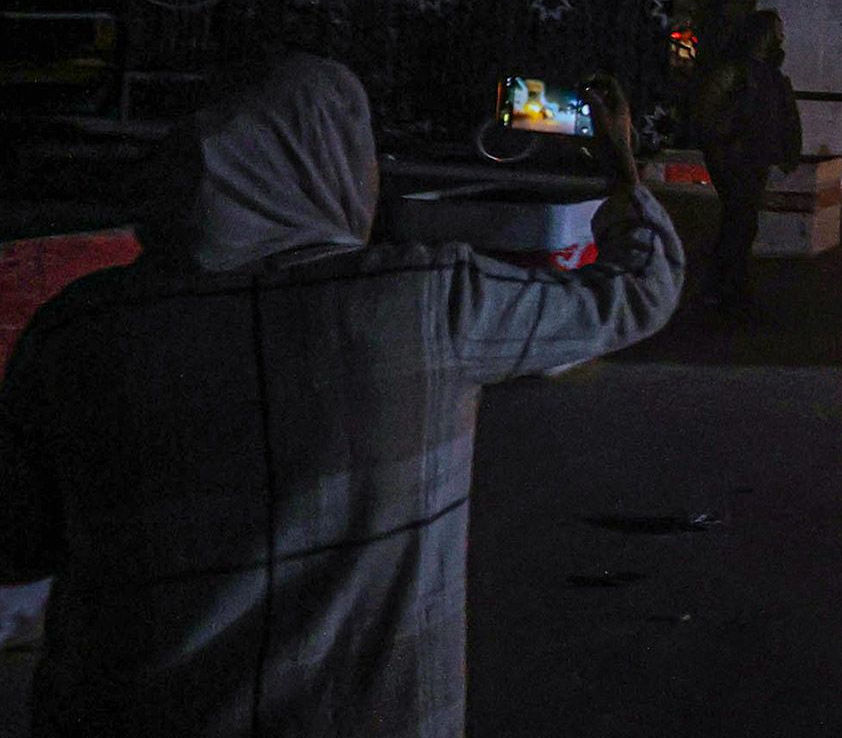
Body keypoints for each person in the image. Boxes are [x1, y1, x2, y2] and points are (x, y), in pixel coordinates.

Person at [0, 54, 681, 736]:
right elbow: (638, 288)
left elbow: (22, 545)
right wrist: (617, 163)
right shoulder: (424, 303)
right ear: (330, 162)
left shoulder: (79, 332)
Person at [691, 9, 800, 313]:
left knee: (742, 223)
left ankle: (726, 288)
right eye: (776, 29)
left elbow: (782, 114)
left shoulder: (768, 72)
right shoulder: (735, 70)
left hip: (755, 158)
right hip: (734, 158)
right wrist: (722, 147)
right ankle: (724, 289)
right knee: (739, 222)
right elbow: (708, 113)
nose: (781, 35)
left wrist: (788, 152)